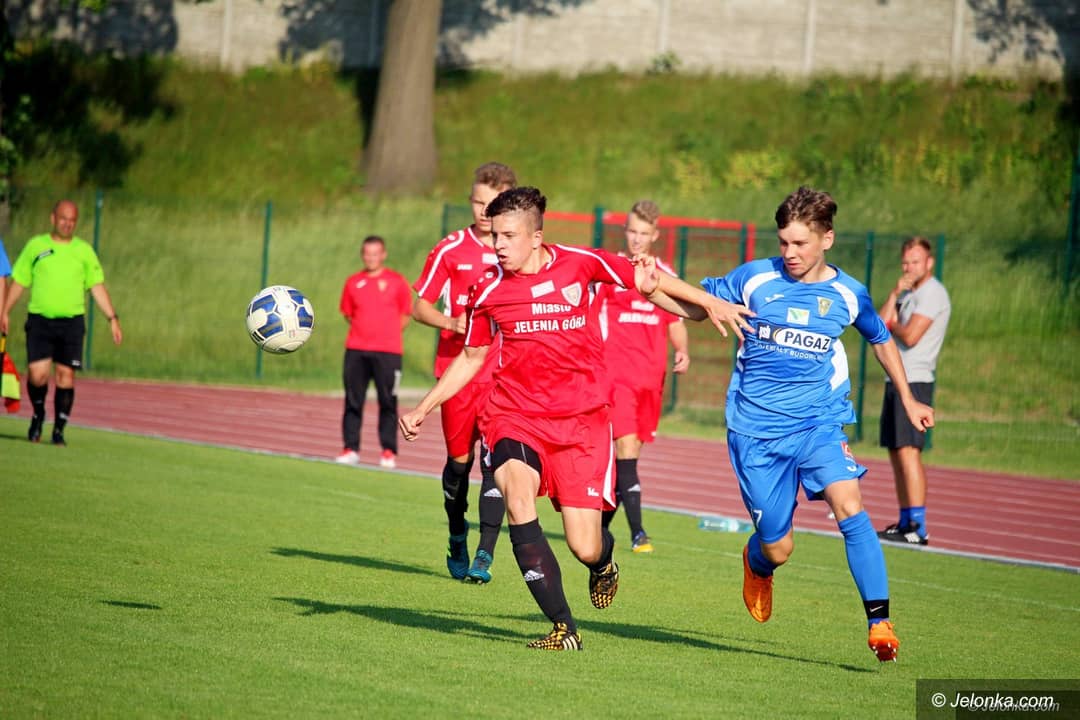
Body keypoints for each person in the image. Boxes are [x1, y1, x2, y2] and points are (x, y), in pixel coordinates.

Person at [400, 187, 749, 650]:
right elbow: (472, 355)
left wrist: (708, 303)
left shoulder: (580, 263)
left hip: (581, 424)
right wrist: (424, 407)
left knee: (585, 545)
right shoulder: (487, 288)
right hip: (515, 416)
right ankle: (564, 628)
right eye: (495, 235)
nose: (498, 244)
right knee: (517, 497)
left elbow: (650, 282)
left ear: (536, 237)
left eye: (508, 236)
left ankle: (604, 563)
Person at [636, 186, 934, 663]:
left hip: (818, 422)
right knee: (778, 547)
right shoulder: (755, 278)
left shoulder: (847, 294)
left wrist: (909, 397)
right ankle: (757, 563)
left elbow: (881, 340)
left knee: (850, 505)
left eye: (800, 243)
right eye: (783, 242)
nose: (790, 253)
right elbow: (698, 308)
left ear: (827, 239)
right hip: (755, 431)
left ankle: (879, 621)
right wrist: (654, 291)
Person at [411, 162, 515, 583]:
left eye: (492, 203)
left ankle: (484, 555)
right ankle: (457, 533)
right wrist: (450, 322)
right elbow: (419, 306)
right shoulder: (451, 248)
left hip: (502, 376)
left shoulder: (518, 252)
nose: (484, 211)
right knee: (459, 463)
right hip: (455, 371)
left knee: (495, 461)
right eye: (477, 201)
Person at [596, 200, 689, 553]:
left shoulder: (663, 274)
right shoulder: (613, 271)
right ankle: (638, 533)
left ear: (655, 236)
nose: (637, 239)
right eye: (632, 231)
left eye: (644, 233)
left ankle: (600, 528)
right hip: (616, 376)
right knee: (625, 448)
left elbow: (676, 320)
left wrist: (683, 350)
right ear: (625, 231)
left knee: (630, 455)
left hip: (650, 380)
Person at [0, 200, 123, 445]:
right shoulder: (36, 246)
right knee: (38, 375)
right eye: (63, 219)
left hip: (71, 324)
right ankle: (38, 414)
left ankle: (59, 430)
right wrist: (5, 311)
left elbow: (96, 286)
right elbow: (20, 281)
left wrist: (112, 318)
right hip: (40, 321)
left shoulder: (84, 251)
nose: (67, 224)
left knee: (66, 375)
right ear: (53, 219)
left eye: (72, 220)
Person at [876, 237, 950, 546]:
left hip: (916, 379)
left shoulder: (933, 294)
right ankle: (905, 520)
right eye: (905, 262)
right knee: (896, 452)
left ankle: (918, 526)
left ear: (929, 263)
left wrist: (893, 325)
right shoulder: (907, 294)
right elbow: (879, 325)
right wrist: (894, 294)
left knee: (909, 452)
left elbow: (911, 335)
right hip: (896, 379)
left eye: (915, 262)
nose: (909, 268)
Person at [336, 235, 412, 468]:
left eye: (375, 253)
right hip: (356, 350)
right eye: (367, 253)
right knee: (353, 401)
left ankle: (388, 451)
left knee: (388, 401)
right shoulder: (353, 282)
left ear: (383, 255)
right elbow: (348, 313)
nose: (371, 258)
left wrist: (387, 334)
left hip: (389, 353)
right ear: (362, 255)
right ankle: (350, 448)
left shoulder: (397, 281)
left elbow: (406, 314)